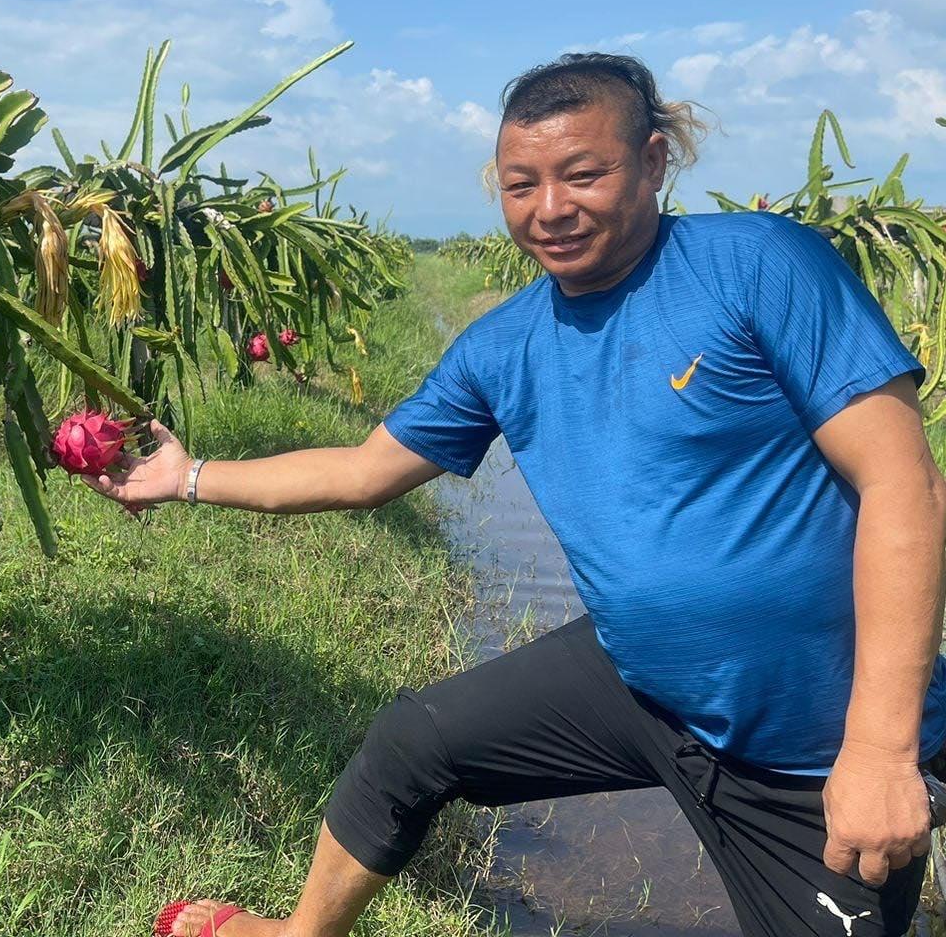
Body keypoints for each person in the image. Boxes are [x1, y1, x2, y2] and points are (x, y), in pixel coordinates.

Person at [84, 53, 946, 937]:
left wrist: (879, 751)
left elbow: (905, 485)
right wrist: (186, 478)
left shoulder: (760, 266)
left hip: (813, 747)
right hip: (645, 684)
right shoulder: (505, 345)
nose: (550, 210)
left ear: (653, 162)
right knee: (411, 745)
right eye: (520, 183)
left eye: (585, 174)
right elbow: (362, 470)